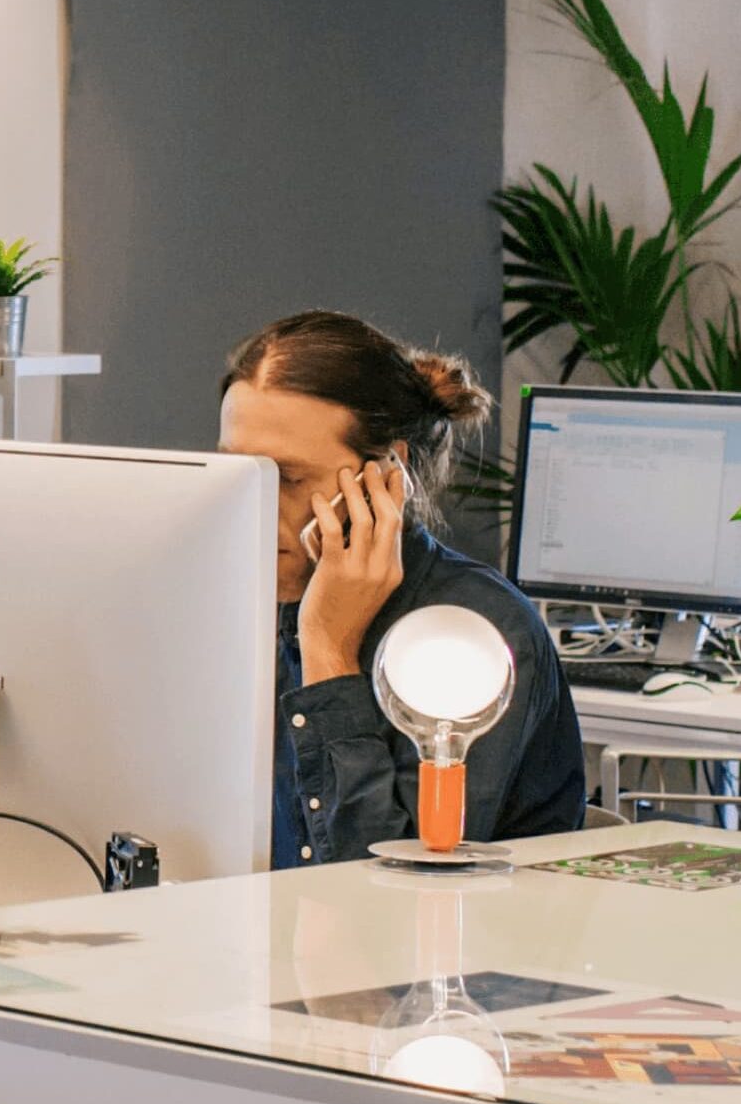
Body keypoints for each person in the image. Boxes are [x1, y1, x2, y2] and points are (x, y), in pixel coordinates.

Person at [216, 310, 584, 866]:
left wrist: (328, 647)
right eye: (238, 473)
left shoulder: (470, 632)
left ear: (388, 475)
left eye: (288, 479)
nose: (255, 504)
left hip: (442, 948)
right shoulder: (232, 601)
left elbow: (387, 892)